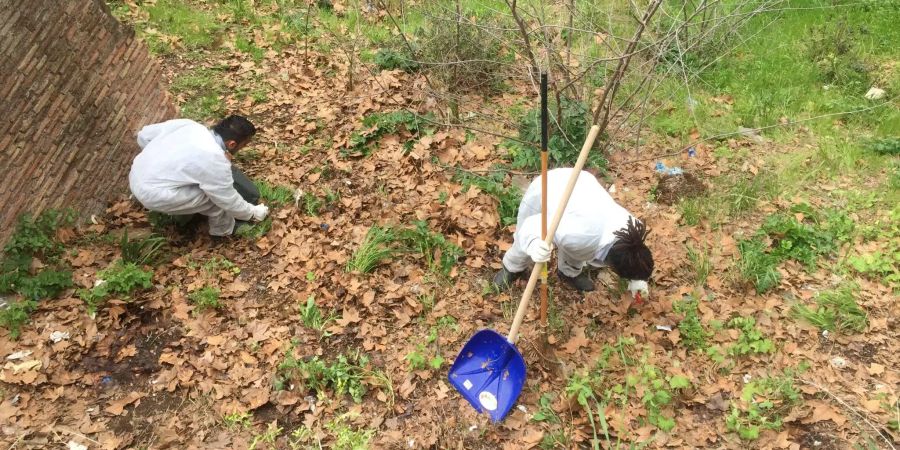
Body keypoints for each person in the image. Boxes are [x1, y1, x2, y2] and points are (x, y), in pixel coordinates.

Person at [493, 168, 653, 302]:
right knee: (527, 241)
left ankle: (568, 273)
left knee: (578, 248)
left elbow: (588, 247)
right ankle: (512, 268)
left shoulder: (634, 230)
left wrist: (637, 278)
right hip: (549, 188)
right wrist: (535, 245)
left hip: (583, 188)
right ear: (611, 263)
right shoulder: (580, 235)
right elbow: (532, 226)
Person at [129, 115, 269, 236]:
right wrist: (253, 213)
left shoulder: (190, 125)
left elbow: (144, 135)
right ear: (232, 144)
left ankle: (184, 208)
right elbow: (227, 200)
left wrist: (156, 160)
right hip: (152, 193)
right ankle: (223, 231)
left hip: (136, 173)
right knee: (214, 200)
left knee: (207, 188)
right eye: (243, 145)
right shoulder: (214, 159)